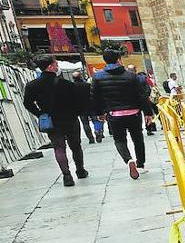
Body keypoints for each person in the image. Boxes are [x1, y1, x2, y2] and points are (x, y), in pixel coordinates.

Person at [23, 56, 89, 186]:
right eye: (56, 64)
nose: (57, 66)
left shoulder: (32, 85)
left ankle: (67, 175)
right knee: (75, 146)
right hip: (70, 119)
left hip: (51, 121)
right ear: (50, 67)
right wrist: (76, 112)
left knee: (59, 147)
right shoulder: (66, 84)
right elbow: (78, 101)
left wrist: (40, 113)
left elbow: (27, 103)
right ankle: (80, 170)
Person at [93, 48, 156, 179]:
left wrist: (99, 113)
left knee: (119, 140)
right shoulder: (131, 76)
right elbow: (142, 96)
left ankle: (128, 160)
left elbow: (95, 97)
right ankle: (141, 164)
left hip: (114, 114)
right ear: (119, 60)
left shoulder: (98, 77)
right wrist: (148, 113)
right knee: (138, 138)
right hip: (134, 113)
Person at [70, 71, 97, 144]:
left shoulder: (71, 87)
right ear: (81, 76)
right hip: (91, 106)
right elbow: (93, 95)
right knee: (95, 121)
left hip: (80, 108)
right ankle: (98, 132)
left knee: (85, 124)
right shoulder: (87, 85)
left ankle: (90, 138)